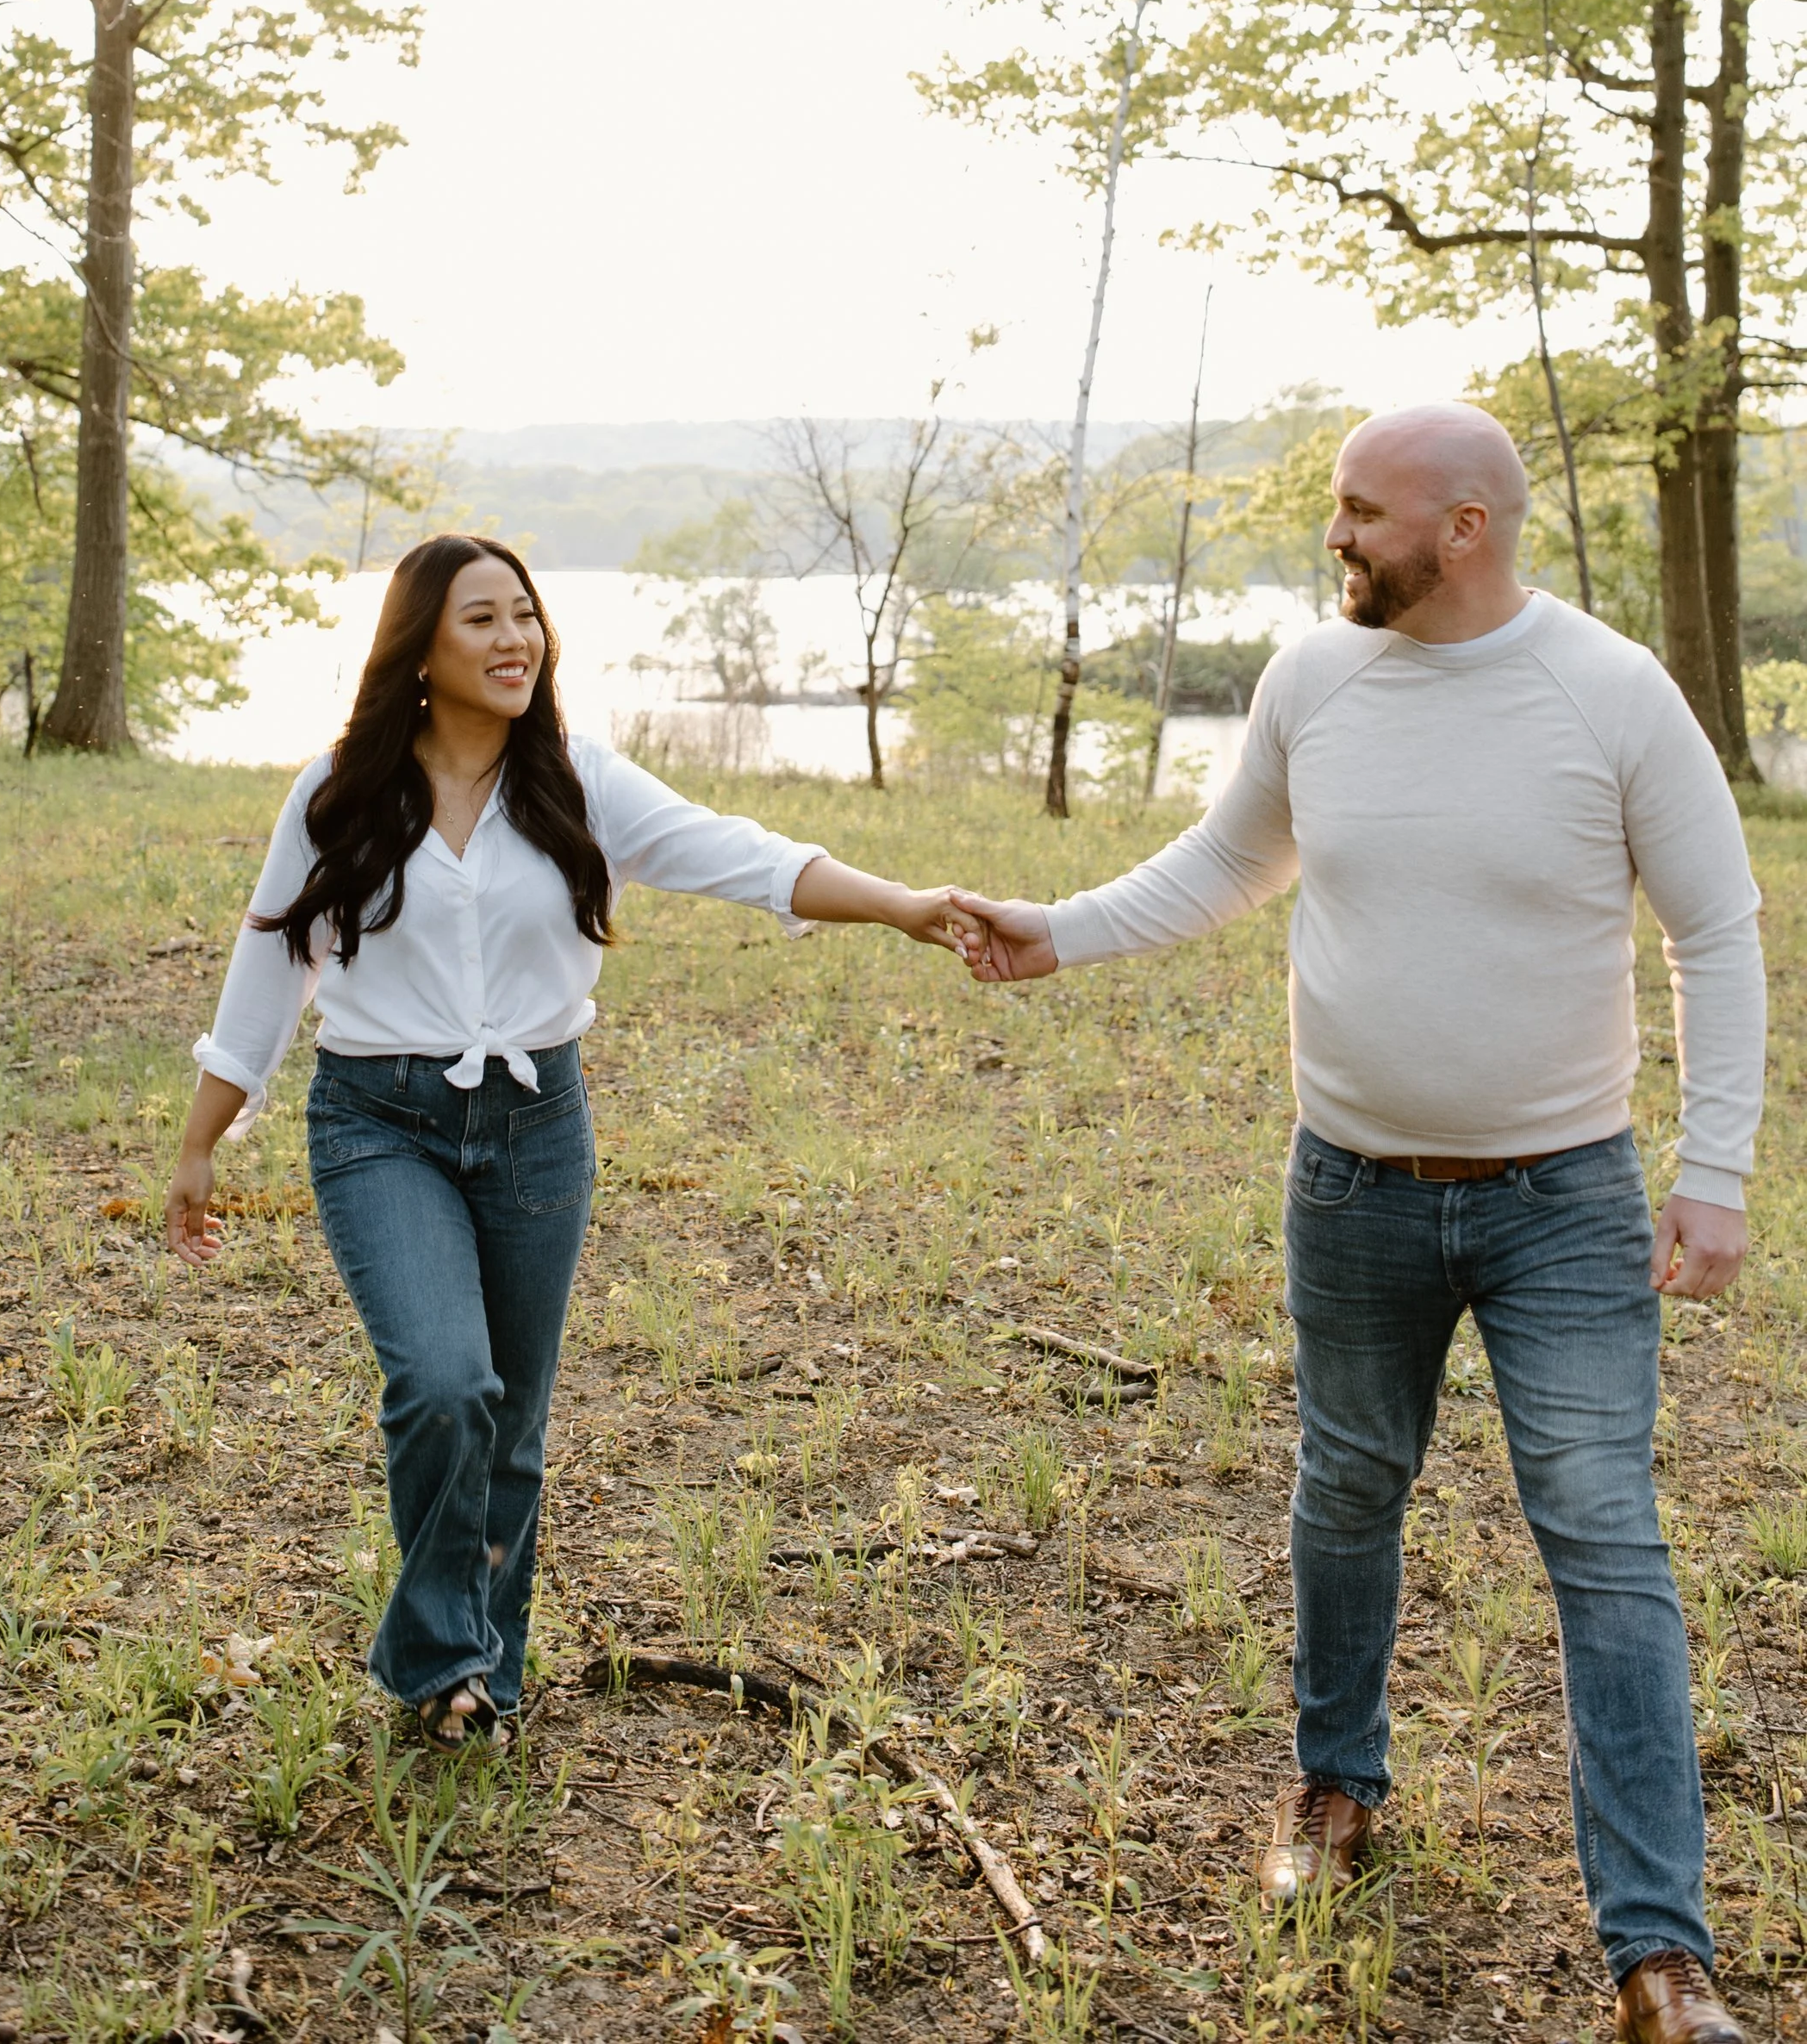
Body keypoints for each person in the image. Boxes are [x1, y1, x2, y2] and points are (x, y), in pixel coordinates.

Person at [948, 405, 1766, 2044]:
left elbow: (1719, 929)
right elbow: (1228, 861)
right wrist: (1060, 932)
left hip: (1567, 1199)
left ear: (1465, 526)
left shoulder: (1608, 693)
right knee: (1347, 1494)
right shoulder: (1311, 681)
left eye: (1360, 512)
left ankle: (1657, 1961)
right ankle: (1334, 1792)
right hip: (1353, 1185)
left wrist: (1717, 1166)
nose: (1336, 537)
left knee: (1605, 1537)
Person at [166, 533, 970, 1748]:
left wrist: (903, 906)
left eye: (526, 616)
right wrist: (201, 1142)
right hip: (380, 1121)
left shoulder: (576, 781)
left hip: (538, 1120)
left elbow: (740, 853)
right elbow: (271, 960)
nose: (515, 639)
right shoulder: (341, 787)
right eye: (483, 618)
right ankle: (442, 1654)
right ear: (422, 646)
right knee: (445, 1382)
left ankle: (480, 1677)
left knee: (513, 1419)